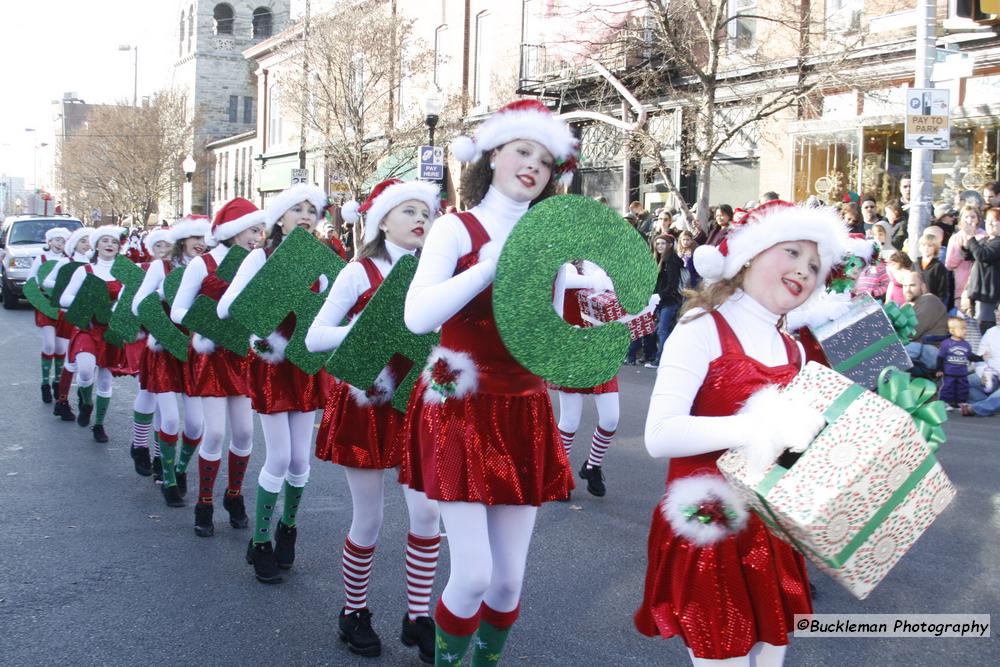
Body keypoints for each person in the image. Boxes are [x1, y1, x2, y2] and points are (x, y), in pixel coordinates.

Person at [399, 99, 576, 665]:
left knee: (506, 585)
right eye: (523, 151)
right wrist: (486, 268)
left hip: (523, 408)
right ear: (493, 156)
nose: (533, 166)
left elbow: (550, 342)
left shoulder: (550, 240)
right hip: (459, 407)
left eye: (545, 162)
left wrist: (597, 304)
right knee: (473, 574)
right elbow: (417, 316)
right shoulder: (457, 227)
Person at [636, 200, 848, 666]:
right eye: (791, 252)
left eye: (814, 265)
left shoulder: (794, 347)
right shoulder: (700, 328)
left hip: (772, 534)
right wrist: (762, 426)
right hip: (710, 529)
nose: (804, 271)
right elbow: (660, 435)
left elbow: (794, 451)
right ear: (752, 253)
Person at [305, 178, 442, 661]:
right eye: (407, 211)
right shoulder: (358, 274)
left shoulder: (438, 273)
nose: (419, 219)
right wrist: (365, 326)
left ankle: (419, 616)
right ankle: (354, 611)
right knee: (370, 516)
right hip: (366, 403)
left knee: (428, 513)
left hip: (421, 403)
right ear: (382, 221)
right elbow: (314, 338)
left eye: (425, 211)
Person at [216, 184, 329, 582]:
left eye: (311, 210)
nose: (304, 215)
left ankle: (288, 531)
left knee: (301, 460)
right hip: (272, 365)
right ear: (279, 217)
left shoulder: (323, 260)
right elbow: (226, 307)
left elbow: (331, 309)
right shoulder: (260, 257)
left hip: (305, 365)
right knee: (279, 457)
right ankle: (260, 540)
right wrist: (267, 304)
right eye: (296, 209)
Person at [171, 199, 263, 521]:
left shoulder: (257, 263)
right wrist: (207, 328)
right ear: (235, 231)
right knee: (214, 434)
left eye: (260, 230)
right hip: (211, 358)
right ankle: (204, 502)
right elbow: (178, 310)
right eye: (253, 229)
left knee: (244, 433)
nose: (258, 235)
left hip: (241, 357)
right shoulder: (203, 264)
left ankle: (234, 496)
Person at [130, 218, 209, 490]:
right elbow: (139, 303)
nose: (199, 243)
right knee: (171, 418)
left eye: (203, 237)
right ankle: (168, 477)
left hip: (196, 352)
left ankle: (180, 467)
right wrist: (165, 293)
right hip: (165, 346)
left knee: (197, 424)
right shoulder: (160, 267)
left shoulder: (209, 268)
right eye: (194, 237)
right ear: (182, 240)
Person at [550, 260, 621, 498]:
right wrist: (598, 281)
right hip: (570, 353)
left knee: (611, 419)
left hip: (601, 352)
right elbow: (563, 283)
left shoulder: (601, 266)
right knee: (570, 422)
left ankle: (592, 466)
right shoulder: (560, 265)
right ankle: (559, 473)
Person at [59, 226, 129, 443]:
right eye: (105, 240)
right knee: (86, 369)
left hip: (112, 330)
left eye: (114, 242)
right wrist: (89, 303)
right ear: (96, 245)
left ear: (119, 247)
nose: (110, 245)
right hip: (88, 329)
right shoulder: (84, 270)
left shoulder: (125, 272)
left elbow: (132, 301)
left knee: (106, 381)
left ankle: (99, 424)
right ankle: (86, 402)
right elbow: (64, 299)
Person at [47, 227, 92, 421]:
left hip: (93, 319)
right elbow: (48, 281)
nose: (87, 244)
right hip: (71, 316)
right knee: (70, 359)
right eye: (83, 241)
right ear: (75, 244)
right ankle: (63, 400)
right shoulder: (66, 262)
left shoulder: (97, 263)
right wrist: (67, 290)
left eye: (89, 241)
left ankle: (84, 397)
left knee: (90, 363)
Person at [27, 226, 71, 404]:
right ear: (49, 241)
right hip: (45, 306)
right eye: (57, 240)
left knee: (61, 349)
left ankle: (57, 383)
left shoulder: (69, 260)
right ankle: (45, 383)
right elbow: (31, 283)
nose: (60, 244)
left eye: (63, 241)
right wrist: (42, 303)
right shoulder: (41, 259)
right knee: (49, 346)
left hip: (63, 308)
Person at [901, 270, 950, 375]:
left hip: (932, 351)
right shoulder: (907, 306)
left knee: (893, 353)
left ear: (923, 287)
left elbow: (912, 332)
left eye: (912, 285)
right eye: (904, 286)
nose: (907, 290)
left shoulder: (929, 300)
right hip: (917, 347)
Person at [961, 207, 1000, 333]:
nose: (990, 223)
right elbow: (970, 255)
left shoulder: (998, 243)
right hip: (977, 290)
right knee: (973, 327)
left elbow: (982, 255)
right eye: (988, 220)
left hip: (988, 293)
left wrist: (972, 238)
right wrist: (967, 242)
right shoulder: (985, 240)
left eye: (994, 220)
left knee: (984, 326)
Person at [652, 234, 684, 364]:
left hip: (669, 301)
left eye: (663, 243)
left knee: (662, 330)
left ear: (670, 245)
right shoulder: (661, 259)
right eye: (658, 243)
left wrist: (658, 296)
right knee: (665, 330)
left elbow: (672, 285)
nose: (660, 246)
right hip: (663, 301)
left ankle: (660, 360)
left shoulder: (671, 261)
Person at [937, 317, 981, 408]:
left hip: (962, 373)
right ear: (952, 331)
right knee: (947, 388)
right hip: (949, 372)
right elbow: (940, 357)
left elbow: (970, 356)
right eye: (962, 328)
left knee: (963, 388)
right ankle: (945, 402)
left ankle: (961, 402)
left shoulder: (966, 344)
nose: (965, 331)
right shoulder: (946, 343)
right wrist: (939, 369)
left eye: (966, 328)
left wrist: (981, 358)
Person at [918, 232, 950, 308]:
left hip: (932, 305)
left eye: (930, 246)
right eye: (924, 245)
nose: (926, 248)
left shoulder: (939, 267)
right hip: (916, 304)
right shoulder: (915, 264)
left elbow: (943, 291)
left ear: (935, 248)